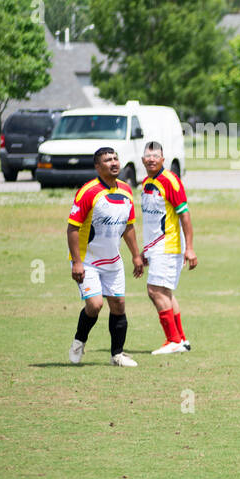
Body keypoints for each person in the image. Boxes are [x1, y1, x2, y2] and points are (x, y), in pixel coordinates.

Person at [66, 146, 145, 366]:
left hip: (113, 260)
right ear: (97, 166)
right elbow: (72, 228)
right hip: (88, 261)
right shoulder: (88, 192)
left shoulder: (127, 190)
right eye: (108, 160)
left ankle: (117, 355)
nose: (114, 162)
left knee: (119, 304)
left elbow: (129, 227)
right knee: (95, 305)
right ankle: (79, 342)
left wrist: (136, 256)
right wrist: (77, 262)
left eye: (116, 158)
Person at [139, 142, 196, 354]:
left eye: (156, 155)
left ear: (163, 159)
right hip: (156, 247)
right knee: (165, 292)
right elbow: (152, 221)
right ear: (142, 159)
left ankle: (172, 341)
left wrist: (189, 248)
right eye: (148, 155)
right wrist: (146, 250)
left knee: (154, 290)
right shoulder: (147, 182)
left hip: (169, 244)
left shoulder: (171, 181)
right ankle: (180, 339)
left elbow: (185, 215)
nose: (152, 158)